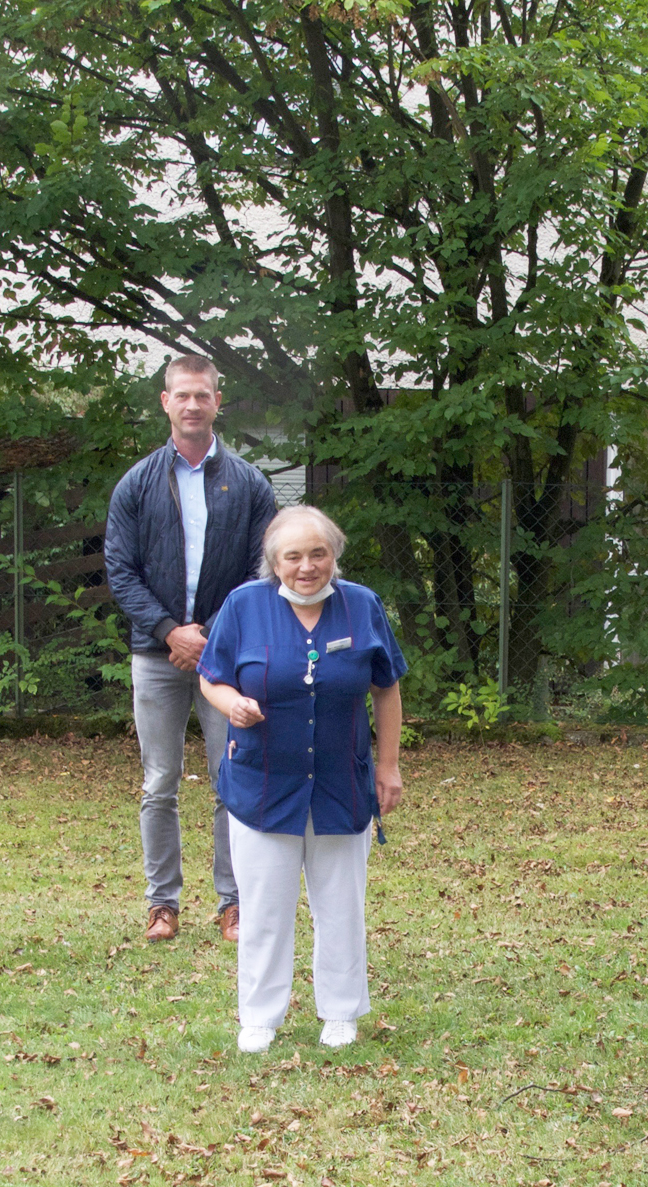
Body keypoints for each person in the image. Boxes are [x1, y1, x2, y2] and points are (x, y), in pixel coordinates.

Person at [197, 506, 406, 1053]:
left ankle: (340, 1012)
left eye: (319, 554)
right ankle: (259, 1018)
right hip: (263, 784)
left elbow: (386, 687)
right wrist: (232, 703)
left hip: (342, 782)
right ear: (274, 562)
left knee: (341, 905)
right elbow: (210, 677)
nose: (307, 566)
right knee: (263, 908)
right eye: (294, 556)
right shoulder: (244, 605)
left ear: (334, 556)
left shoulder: (362, 605)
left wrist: (388, 765)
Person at [105, 354, 279, 944]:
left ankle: (234, 903)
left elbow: (265, 570)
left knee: (231, 776)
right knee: (160, 783)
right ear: (165, 402)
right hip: (155, 654)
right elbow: (120, 570)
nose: (192, 405)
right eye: (182, 395)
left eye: (202, 395)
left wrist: (209, 635)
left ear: (217, 401)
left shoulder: (250, 483)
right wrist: (168, 631)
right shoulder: (137, 483)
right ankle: (163, 906)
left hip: (224, 657)